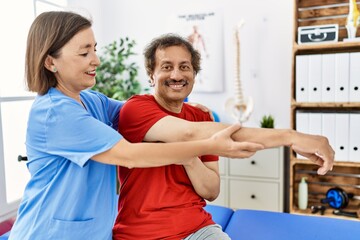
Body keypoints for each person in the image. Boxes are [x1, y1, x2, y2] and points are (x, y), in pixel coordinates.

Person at [8, 12, 264, 240]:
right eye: (85, 53)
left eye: (95, 49)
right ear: (51, 62)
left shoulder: (92, 100)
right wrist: (209, 145)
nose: (96, 60)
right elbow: (131, 155)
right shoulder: (55, 113)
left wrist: (183, 103)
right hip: (46, 232)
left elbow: (144, 113)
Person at [112, 34, 335, 239]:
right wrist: (290, 136)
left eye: (185, 67)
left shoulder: (201, 116)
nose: (177, 75)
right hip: (141, 233)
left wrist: (189, 159)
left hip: (197, 229)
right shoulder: (136, 108)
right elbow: (188, 133)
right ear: (152, 75)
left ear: (194, 74)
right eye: (167, 67)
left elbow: (211, 192)